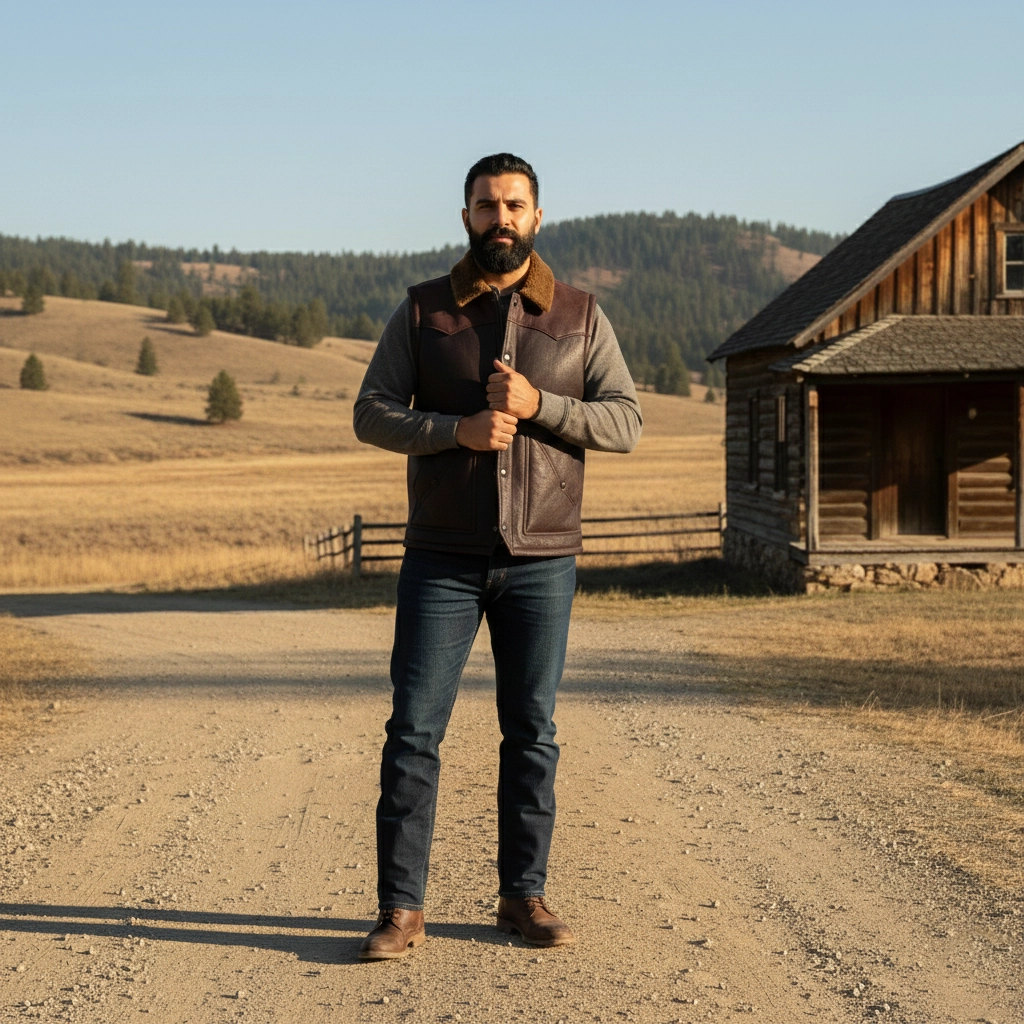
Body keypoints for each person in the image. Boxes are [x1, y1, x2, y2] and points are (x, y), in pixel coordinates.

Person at [352, 153, 642, 959]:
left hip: (543, 559)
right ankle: (401, 910)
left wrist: (539, 406)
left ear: (538, 217)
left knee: (532, 731)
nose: (501, 217)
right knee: (413, 731)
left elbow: (625, 421)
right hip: (440, 557)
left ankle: (524, 897)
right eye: (486, 205)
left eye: (515, 204)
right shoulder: (422, 313)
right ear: (467, 217)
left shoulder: (580, 316)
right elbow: (370, 413)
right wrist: (456, 432)